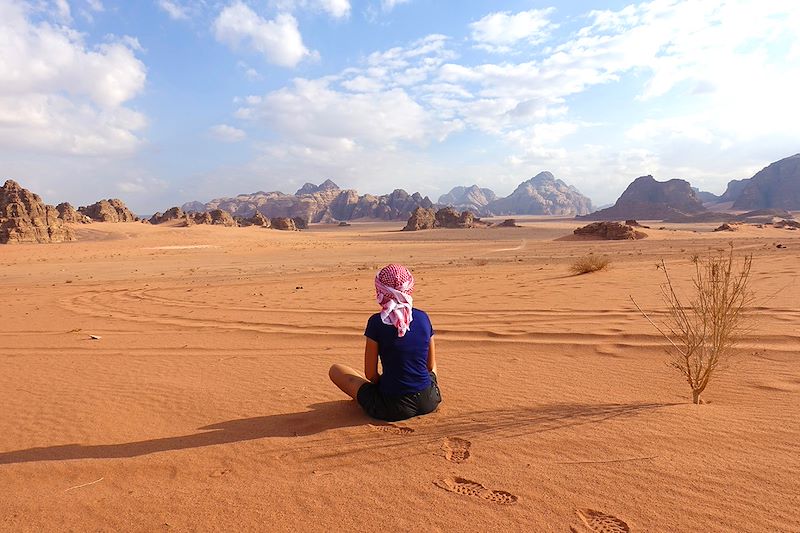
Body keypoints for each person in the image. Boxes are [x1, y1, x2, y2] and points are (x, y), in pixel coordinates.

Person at [329, 264, 441, 421]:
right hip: (428, 400)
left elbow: (371, 375)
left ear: (380, 290)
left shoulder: (376, 322)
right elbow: (429, 367)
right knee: (430, 368)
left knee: (336, 370)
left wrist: (388, 382)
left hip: (392, 407)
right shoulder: (423, 317)